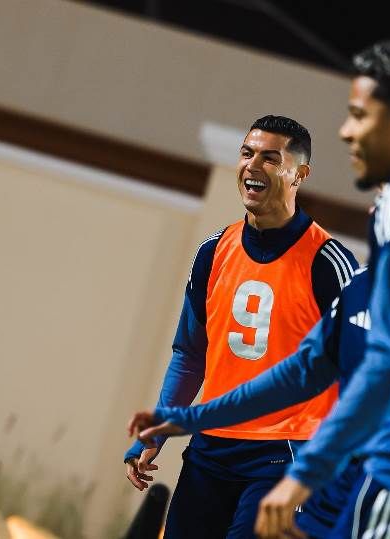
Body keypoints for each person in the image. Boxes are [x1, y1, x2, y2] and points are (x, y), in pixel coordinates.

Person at [133, 38, 390, 538]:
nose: (347, 132)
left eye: (359, 115)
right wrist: (186, 418)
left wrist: (306, 475)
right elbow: (314, 363)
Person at [124, 115, 358, 538]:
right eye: (247, 153)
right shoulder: (213, 252)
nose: (253, 165)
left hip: (284, 455)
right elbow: (189, 354)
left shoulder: (329, 264)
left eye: (271, 158)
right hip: (210, 448)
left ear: (300, 174)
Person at [129, 266, 373, 538]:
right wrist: (181, 421)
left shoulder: (334, 266)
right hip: (212, 451)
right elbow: (296, 374)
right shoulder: (362, 284)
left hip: (294, 457)